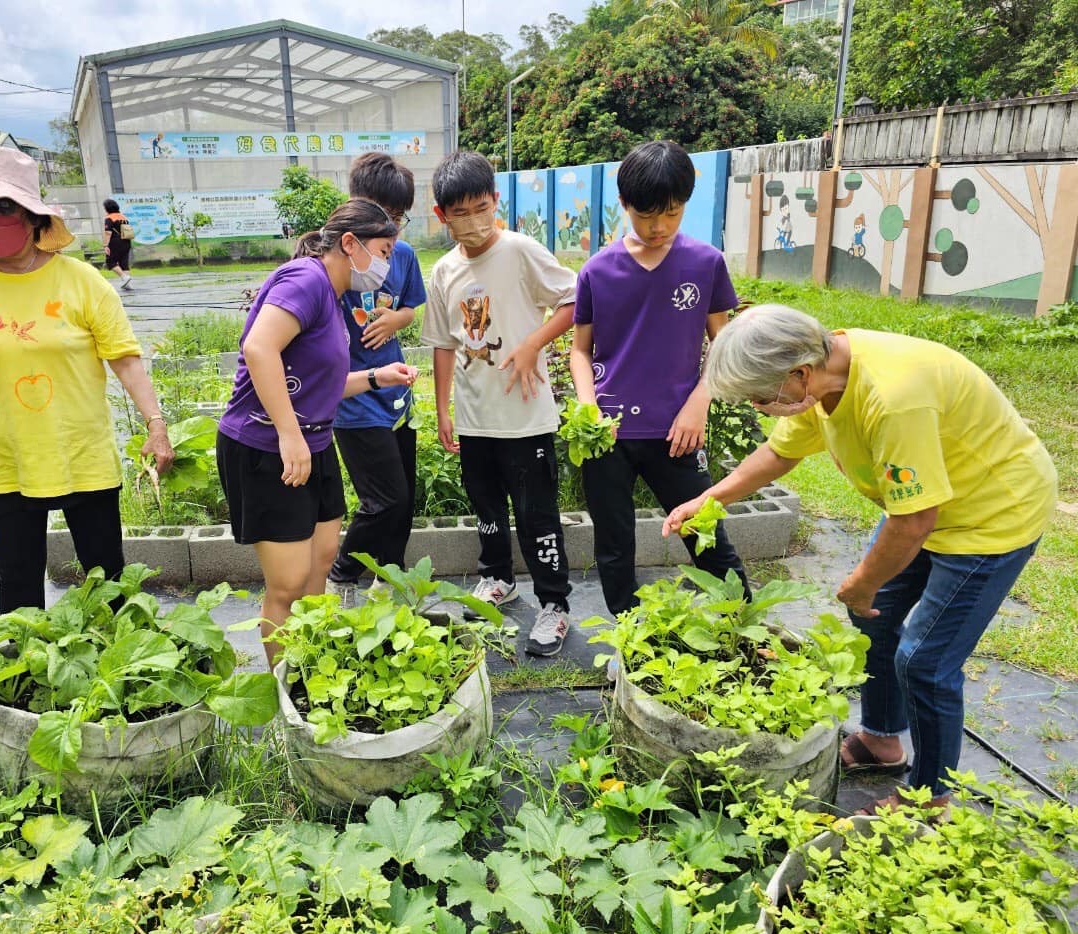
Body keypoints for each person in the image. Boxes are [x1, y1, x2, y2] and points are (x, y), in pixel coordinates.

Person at [663, 304, 1057, 813]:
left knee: (924, 661)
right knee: (874, 618)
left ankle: (929, 798)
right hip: (923, 507)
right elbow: (780, 454)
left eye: (763, 398)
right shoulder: (824, 379)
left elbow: (913, 522)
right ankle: (881, 741)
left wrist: (864, 581)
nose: (761, 408)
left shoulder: (893, 399)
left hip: (991, 516)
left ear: (799, 373)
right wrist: (708, 500)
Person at [0, 146, 174, 613]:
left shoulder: (82, 281)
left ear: (33, 217)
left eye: (4, 206)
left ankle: (117, 677)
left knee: (108, 584)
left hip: (82, 452)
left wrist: (156, 425)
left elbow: (127, 361)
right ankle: (28, 682)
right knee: (18, 592)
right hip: (4, 460)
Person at [217, 199, 417, 667]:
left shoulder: (333, 293)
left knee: (321, 564)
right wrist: (289, 435)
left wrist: (375, 377)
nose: (387, 265)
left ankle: (311, 668)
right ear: (349, 244)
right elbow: (259, 347)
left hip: (314, 441)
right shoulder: (307, 278)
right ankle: (287, 693)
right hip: (266, 446)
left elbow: (318, 383)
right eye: (384, 251)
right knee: (287, 585)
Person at [571, 140, 750, 618]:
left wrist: (700, 402)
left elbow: (724, 344)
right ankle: (628, 636)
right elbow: (578, 350)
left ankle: (740, 626)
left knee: (706, 533)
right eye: (646, 215)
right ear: (624, 204)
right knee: (613, 543)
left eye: (671, 214)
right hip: (606, 435)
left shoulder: (705, 262)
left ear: (685, 205)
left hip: (677, 430)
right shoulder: (596, 271)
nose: (658, 228)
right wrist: (588, 407)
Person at [421, 151, 577, 656]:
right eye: (460, 213)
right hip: (474, 417)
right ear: (441, 215)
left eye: (481, 208)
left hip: (525, 416)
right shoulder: (443, 271)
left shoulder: (519, 250)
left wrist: (534, 344)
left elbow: (575, 299)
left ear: (496, 202)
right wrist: (444, 410)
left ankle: (554, 604)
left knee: (537, 516)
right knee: (487, 509)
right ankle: (497, 579)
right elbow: (445, 344)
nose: (473, 222)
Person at [325, 153, 426, 604]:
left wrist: (394, 322)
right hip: (353, 394)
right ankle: (342, 573)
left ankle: (389, 576)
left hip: (395, 391)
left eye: (398, 220)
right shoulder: (330, 262)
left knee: (404, 497)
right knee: (384, 500)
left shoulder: (401, 256)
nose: (391, 230)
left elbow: (410, 307)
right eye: (382, 217)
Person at [102, 198, 133, 290]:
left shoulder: (109, 218)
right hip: (126, 241)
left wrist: (106, 245)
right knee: (124, 262)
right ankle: (127, 284)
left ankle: (124, 277)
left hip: (115, 242)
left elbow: (108, 233)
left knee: (110, 262)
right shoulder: (123, 217)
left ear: (107, 208)